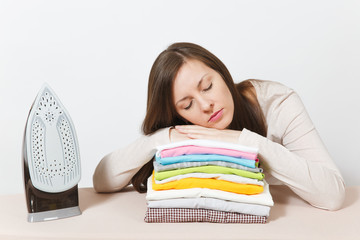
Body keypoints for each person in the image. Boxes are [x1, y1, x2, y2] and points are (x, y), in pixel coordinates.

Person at [93, 42, 345, 211]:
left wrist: (246, 142)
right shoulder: (182, 131)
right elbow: (101, 181)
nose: (206, 105)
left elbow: (332, 195)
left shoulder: (277, 103)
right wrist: (160, 139)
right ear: (177, 114)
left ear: (222, 73)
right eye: (187, 103)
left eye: (207, 86)